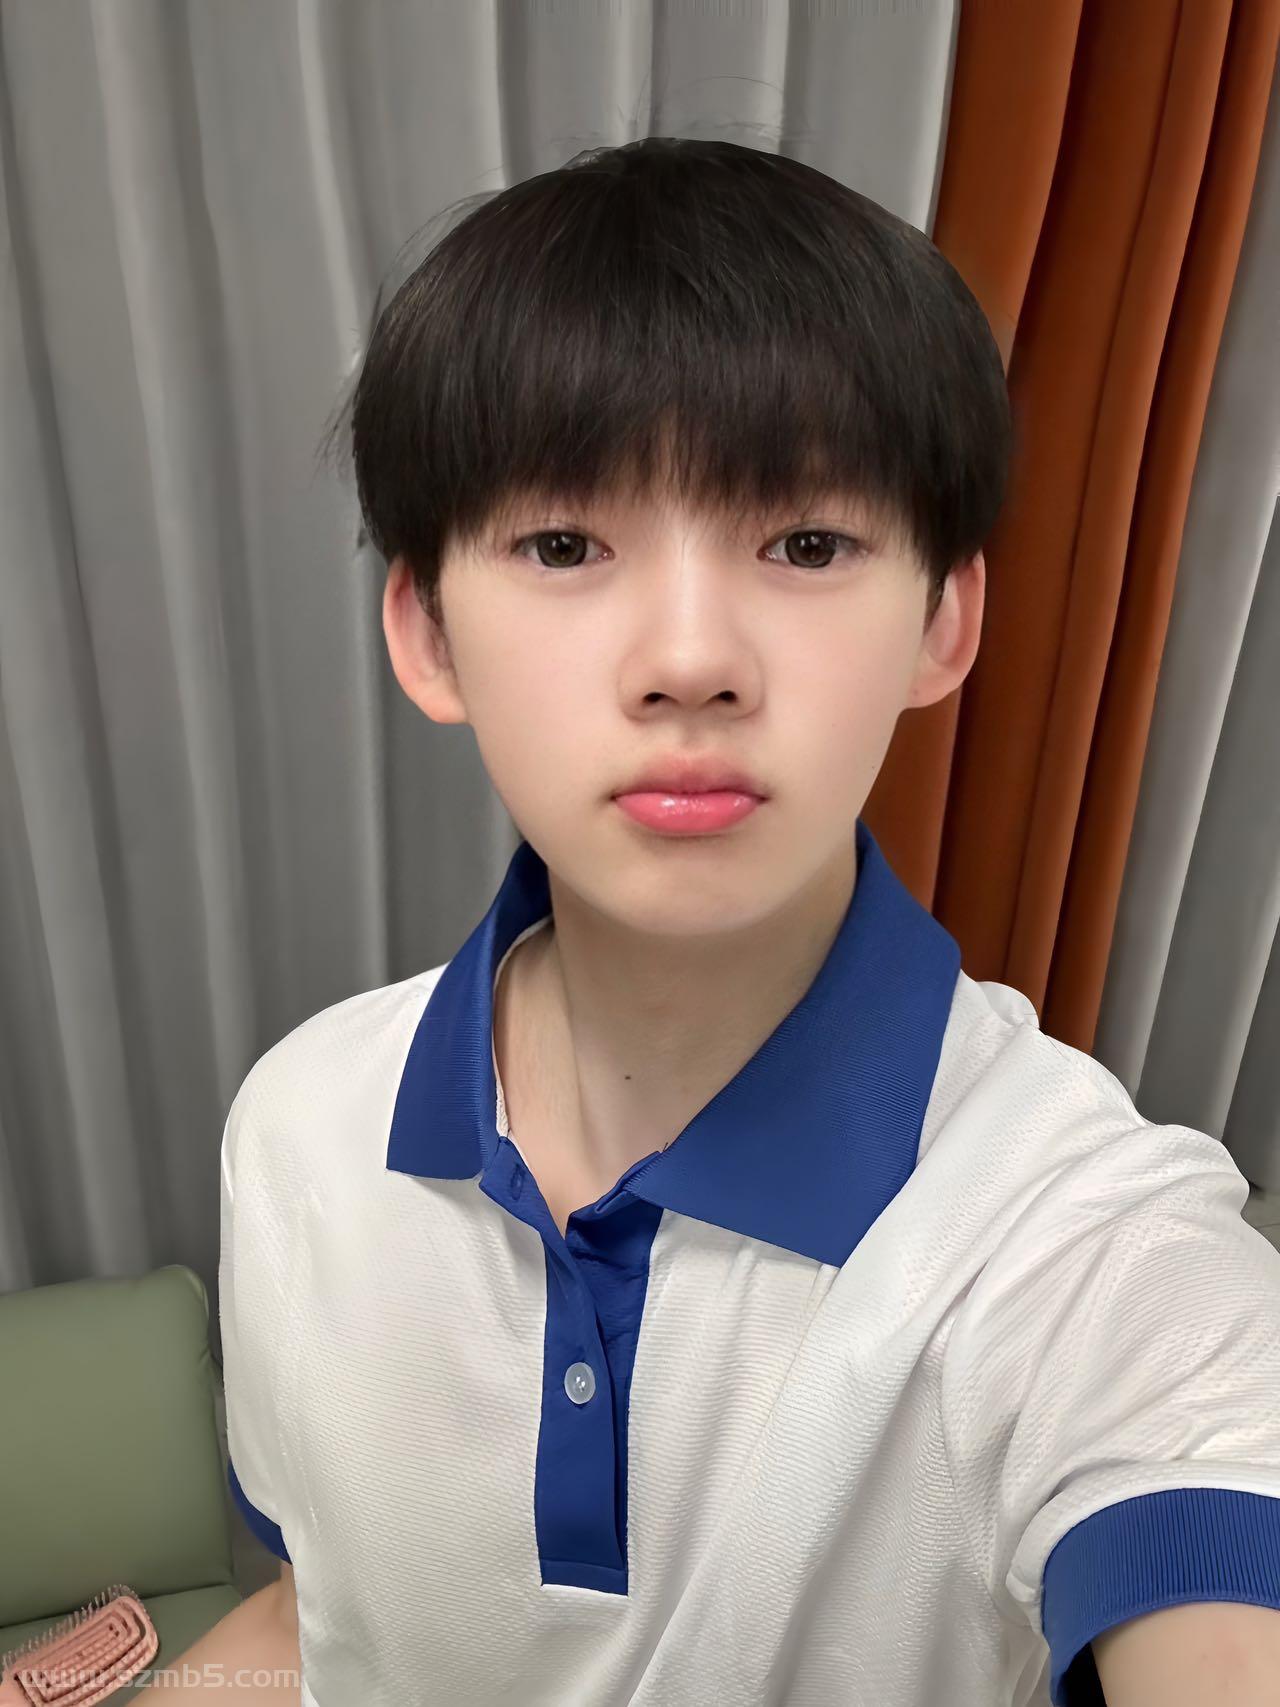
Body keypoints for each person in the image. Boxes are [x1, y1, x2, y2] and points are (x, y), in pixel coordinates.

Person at [204, 138, 1280, 1705]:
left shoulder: (1086, 1246)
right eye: (565, 546)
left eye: (806, 545)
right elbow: (322, 1625)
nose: (692, 661)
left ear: (944, 619)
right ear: (428, 634)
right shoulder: (297, 1124)